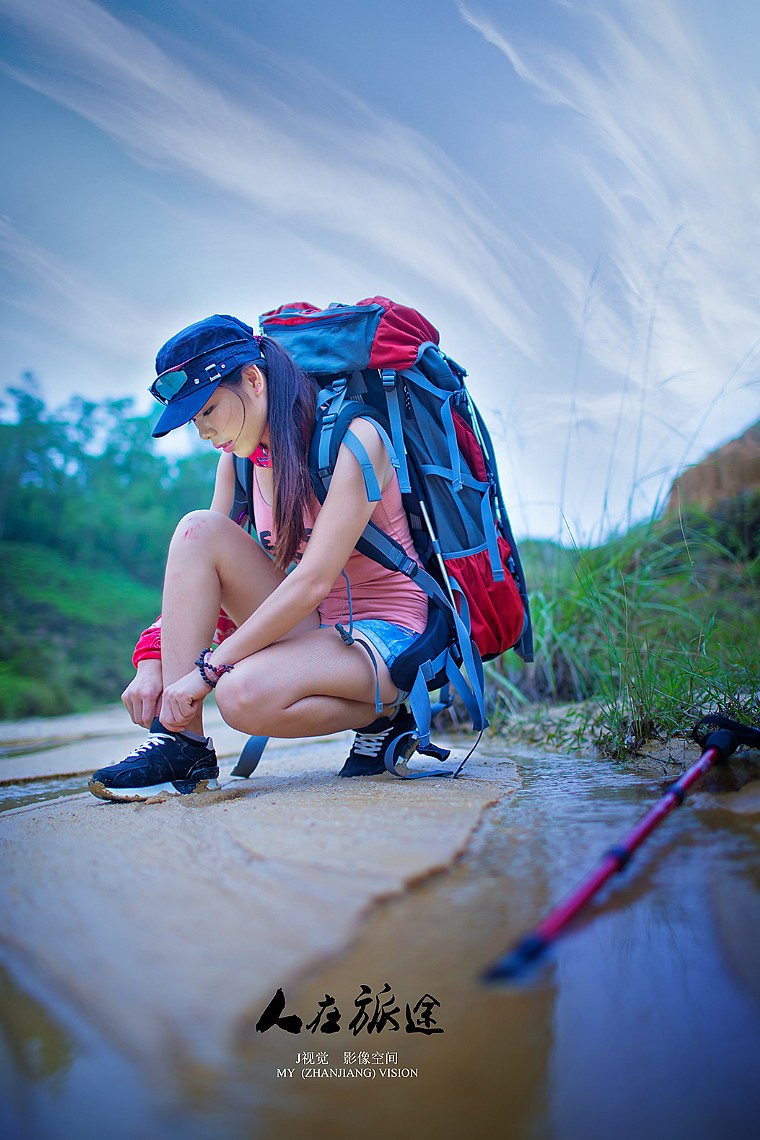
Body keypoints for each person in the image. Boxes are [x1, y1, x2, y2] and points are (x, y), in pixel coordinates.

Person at [89, 314, 428, 801]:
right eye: (195, 420)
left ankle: (388, 715)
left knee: (239, 695)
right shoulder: (240, 462)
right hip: (316, 623)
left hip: (388, 629)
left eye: (209, 409)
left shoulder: (356, 439)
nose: (204, 431)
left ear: (253, 379)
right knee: (197, 529)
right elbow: (196, 574)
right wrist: (151, 660)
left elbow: (311, 580)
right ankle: (181, 744)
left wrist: (207, 671)